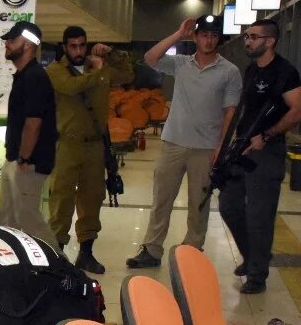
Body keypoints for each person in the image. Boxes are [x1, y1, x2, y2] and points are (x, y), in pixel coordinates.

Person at [126, 15, 242, 269]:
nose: (208, 40)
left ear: (218, 39)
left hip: (206, 148)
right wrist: (179, 34)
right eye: (204, 35)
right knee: (161, 199)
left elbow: (230, 112)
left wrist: (221, 147)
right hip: (174, 143)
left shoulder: (229, 72)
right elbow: (150, 58)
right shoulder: (181, 64)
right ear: (196, 37)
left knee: (198, 204)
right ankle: (152, 249)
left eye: (213, 36)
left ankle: (192, 251)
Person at [218, 19, 301, 294]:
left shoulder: (285, 72)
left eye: (253, 37)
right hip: (243, 147)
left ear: (270, 41)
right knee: (229, 205)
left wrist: (267, 135)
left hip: (267, 151)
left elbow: (297, 110)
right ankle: (253, 256)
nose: (247, 41)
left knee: (259, 215)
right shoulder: (252, 69)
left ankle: (257, 275)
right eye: (246, 36)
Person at [46, 26, 134, 274]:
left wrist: (111, 53)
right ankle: (57, 254)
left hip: (95, 145)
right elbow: (72, 87)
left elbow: (127, 75)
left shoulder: (98, 66)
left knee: (92, 199)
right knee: (61, 199)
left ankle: (86, 253)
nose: (78, 51)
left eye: (82, 45)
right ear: (65, 47)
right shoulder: (56, 71)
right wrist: (99, 71)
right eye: (73, 46)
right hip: (67, 144)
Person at [0, 21, 59, 250]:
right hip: (16, 159)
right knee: (5, 220)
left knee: (30, 221)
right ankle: (11, 264)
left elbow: (33, 124)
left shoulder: (35, 77)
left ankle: (60, 265)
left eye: (12, 40)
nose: (7, 44)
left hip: (28, 163)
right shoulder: (24, 75)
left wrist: (24, 158)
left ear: (29, 45)